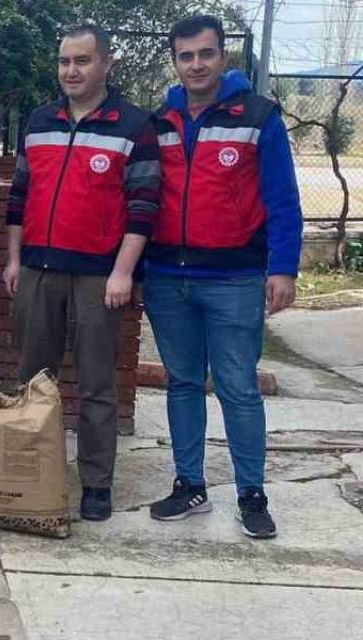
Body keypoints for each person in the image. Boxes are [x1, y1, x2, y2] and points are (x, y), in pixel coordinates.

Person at [144, 15, 302, 539]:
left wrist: (282, 268)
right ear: (175, 60)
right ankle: (189, 484)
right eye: (186, 56)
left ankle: (251, 493)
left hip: (235, 278)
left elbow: (282, 198)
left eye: (205, 54)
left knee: (237, 387)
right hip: (168, 277)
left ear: (223, 57)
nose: (196, 65)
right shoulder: (160, 120)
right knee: (183, 382)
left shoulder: (258, 118)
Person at [3, 25, 161, 521]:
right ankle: (32, 473)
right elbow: (19, 198)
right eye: (65, 61)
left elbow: (144, 206)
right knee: (33, 381)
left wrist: (122, 272)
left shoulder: (134, 126)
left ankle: (95, 483)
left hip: (99, 277)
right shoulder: (39, 120)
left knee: (95, 385)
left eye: (83, 61)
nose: (71, 71)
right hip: (37, 269)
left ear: (106, 64)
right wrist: (12, 259)